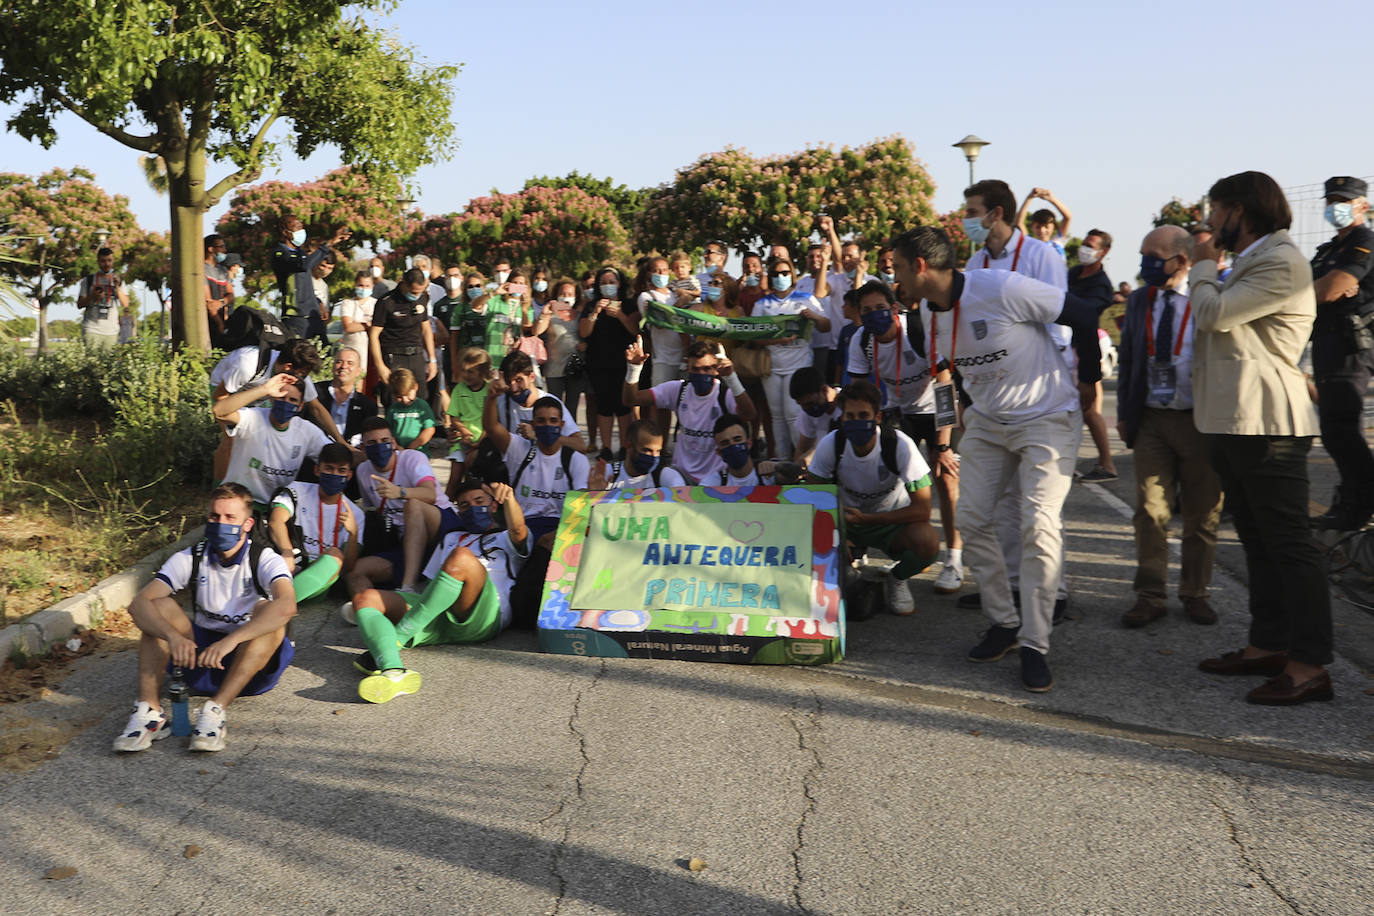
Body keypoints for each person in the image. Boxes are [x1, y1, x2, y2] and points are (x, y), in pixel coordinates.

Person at [893, 225, 1101, 693]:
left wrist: (1089, 378)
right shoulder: (925, 315)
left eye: (899, 268)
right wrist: (948, 435)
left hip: (1047, 418)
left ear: (921, 267)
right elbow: (947, 375)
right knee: (973, 517)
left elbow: (1085, 315)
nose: (896, 279)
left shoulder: (1001, 287)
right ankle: (1005, 622)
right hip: (986, 423)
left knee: (1038, 525)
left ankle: (1035, 643)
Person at [1190, 171, 1332, 706]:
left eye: (1215, 211)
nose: (1207, 223)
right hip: (1236, 421)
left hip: (1270, 423)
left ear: (1240, 212)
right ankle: (1268, 643)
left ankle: (1311, 663)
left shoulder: (1282, 261)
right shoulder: (1254, 260)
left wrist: (1203, 262)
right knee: (1257, 538)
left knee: (1291, 545)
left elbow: (1213, 315)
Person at [959, 179, 1071, 618]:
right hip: (995, 395)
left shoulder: (1043, 255)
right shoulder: (975, 260)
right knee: (1000, 502)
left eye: (973, 210)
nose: (968, 219)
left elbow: (1059, 321)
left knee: (1039, 506)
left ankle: (1051, 592)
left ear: (997, 214)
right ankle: (1008, 587)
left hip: (1039, 390)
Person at [113, 483, 295, 753]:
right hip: (199, 657)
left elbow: (288, 606)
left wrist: (231, 641)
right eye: (215, 517)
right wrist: (173, 636)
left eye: (230, 518)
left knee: (269, 611)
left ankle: (216, 711)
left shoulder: (265, 559)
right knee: (157, 606)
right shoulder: (191, 557)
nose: (221, 524)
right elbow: (138, 604)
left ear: (247, 524)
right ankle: (150, 713)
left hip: (249, 664)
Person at [1115, 226, 1223, 628]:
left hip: (1201, 420)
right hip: (1152, 420)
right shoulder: (1141, 299)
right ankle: (1150, 594)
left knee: (1202, 512)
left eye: (1154, 255)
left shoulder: (1207, 296)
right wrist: (1126, 414)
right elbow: (1128, 359)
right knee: (1150, 511)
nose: (1145, 264)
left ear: (1181, 260)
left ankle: (1195, 592)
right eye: (1143, 254)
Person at [344, 480, 529, 703]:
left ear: (493, 505)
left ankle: (396, 639)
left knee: (461, 557)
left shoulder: (506, 539)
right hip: (438, 612)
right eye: (464, 505)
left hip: (484, 615)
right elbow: (433, 584)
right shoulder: (452, 537)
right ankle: (393, 670)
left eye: (478, 501)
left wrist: (509, 499)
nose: (471, 507)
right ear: (458, 512)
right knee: (365, 598)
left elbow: (519, 530)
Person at [846, 279, 964, 595]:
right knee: (889, 480)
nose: (874, 316)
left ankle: (954, 559)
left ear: (894, 308)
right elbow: (860, 392)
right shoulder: (861, 340)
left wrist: (942, 445)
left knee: (945, 479)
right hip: (897, 411)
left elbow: (944, 385)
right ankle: (886, 550)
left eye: (880, 309)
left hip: (934, 409)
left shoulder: (919, 330)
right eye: (867, 311)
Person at [806, 380, 941, 615]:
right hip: (848, 523)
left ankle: (897, 578)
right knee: (810, 541)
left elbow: (923, 510)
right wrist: (833, 533)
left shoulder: (900, 445)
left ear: (877, 417)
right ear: (842, 417)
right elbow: (813, 498)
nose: (856, 421)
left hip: (891, 522)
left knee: (928, 542)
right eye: (850, 415)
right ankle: (847, 575)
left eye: (863, 415)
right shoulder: (831, 444)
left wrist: (868, 519)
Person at [1308, 176, 1374, 531]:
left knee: (1341, 428)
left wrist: (1331, 286)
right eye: (1331, 199)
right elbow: (1314, 288)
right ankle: (1352, 498)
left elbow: (1330, 290)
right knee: (1335, 428)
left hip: (1351, 344)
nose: (1336, 206)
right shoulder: (1327, 251)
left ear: (1363, 205)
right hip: (1327, 341)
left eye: (1344, 200)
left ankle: (1360, 503)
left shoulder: (1365, 242)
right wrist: (1324, 287)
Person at [345, 417, 458, 595]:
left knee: (413, 506)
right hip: (406, 541)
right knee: (355, 570)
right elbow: (372, 509)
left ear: (394, 442)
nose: (380, 446)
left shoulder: (413, 458)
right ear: (364, 449)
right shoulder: (363, 471)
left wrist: (400, 492)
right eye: (372, 443)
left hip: (441, 527)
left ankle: (408, 587)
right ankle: (368, 609)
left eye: (385, 441)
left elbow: (430, 494)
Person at [623, 339, 755, 484]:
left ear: (716, 369)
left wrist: (731, 377)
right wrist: (634, 369)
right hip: (681, 474)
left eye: (707, 369)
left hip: (716, 475)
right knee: (671, 481)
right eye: (696, 369)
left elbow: (749, 414)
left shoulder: (725, 394)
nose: (701, 374)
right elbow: (631, 399)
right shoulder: (678, 390)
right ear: (688, 368)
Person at [213, 374, 332, 512]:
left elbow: (334, 456)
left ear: (300, 406)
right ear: (272, 398)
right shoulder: (253, 417)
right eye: (281, 397)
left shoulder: (306, 431)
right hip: (237, 503)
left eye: (292, 400)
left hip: (274, 508)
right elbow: (219, 411)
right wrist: (263, 389)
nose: (286, 403)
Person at [483, 393, 590, 545]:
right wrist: (491, 397)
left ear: (562, 425)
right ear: (532, 424)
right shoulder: (519, 449)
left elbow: (580, 510)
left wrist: (553, 537)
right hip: (523, 527)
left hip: (561, 529)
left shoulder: (576, 460)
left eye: (553, 421)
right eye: (541, 421)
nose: (547, 425)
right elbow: (491, 427)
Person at [752, 257, 831, 458]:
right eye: (776, 274)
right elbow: (752, 336)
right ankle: (782, 460)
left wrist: (814, 316)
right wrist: (775, 340)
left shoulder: (805, 298)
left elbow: (826, 325)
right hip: (771, 366)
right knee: (777, 416)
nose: (781, 277)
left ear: (792, 275)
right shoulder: (762, 304)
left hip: (799, 365)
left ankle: (801, 459)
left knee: (793, 413)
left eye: (785, 273)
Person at [266, 442, 364, 601]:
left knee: (335, 554)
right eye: (329, 468)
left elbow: (348, 569)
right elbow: (276, 521)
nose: (334, 474)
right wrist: (287, 551)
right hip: (291, 562)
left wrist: (353, 533)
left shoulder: (356, 514)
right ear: (317, 470)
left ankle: (279, 602)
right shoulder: (298, 490)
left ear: (349, 475)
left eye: (341, 470)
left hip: (321, 577)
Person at [1069, 230, 1120, 482]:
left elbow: (1086, 317)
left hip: (1084, 348)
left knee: (1089, 410)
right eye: (1084, 244)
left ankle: (1107, 464)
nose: (1084, 250)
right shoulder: (1073, 274)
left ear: (1104, 252)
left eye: (1090, 246)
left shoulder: (1101, 285)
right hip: (1064, 348)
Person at [579, 267, 639, 455]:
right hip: (598, 363)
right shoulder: (591, 306)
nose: (608, 286)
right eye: (604, 282)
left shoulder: (629, 305)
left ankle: (623, 446)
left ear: (619, 283)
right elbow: (584, 332)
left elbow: (635, 330)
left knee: (623, 406)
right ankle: (605, 447)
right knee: (604, 406)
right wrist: (595, 314)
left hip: (623, 362)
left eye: (611, 282)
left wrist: (620, 315)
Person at [271, 215, 349, 341]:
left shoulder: (300, 253)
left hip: (314, 317)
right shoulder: (280, 254)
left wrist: (318, 303)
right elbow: (304, 265)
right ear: (285, 232)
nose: (301, 231)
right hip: (296, 317)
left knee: (324, 354)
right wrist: (328, 244)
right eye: (297, 227)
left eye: (302, 227)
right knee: (300, 355)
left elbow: (305, 285)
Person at [369, 268, 437, 408]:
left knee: (421, 400)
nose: (417, 295)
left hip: (416, 354)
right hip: (394, 355)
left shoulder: (422, 298)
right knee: (395, 400)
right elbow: (374, 335)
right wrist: (380, 365)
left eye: (420, 291)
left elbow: (426, 329)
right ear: (404, 284)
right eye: (414, 292)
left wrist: (432, 359)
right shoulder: (386, 301)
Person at [534, 279, 589, 426]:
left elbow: (586, 334)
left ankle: (571, 441)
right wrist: (544, 314)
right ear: (556, 295)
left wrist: (585, 345)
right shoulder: (550, 315)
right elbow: (537, 331)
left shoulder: (580, 315)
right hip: (554, 369)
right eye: (563, 293)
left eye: (570, 294)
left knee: (572, 407)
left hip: (575, 368)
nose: (566, 296)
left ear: (576, 296)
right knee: (554, 407)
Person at [588, 419, 688, 490]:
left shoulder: (666, 476)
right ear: (628, 446)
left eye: (658, 451)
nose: (653, 457)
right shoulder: (606, 474)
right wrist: (595, 495)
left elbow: (682, 507)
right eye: (647, 450)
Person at [444, 347, 492, 492]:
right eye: (463, 370)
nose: (466, 375)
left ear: (483, 372)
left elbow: (492, 419)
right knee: (454, 478)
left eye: (470, 371)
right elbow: (454, 416)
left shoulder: (490, 391)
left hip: (483, 441)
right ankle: (446, 508)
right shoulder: (459, 389)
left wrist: (479, 442)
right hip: (461, 440)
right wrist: (464, 431)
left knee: (473, 479)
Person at [316, 347, 378, 447]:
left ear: (359, 371)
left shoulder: (367, 406)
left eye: (350, 363)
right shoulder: (315, 393)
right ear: (333, 366)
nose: (344, 366)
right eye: (339, 362)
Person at [77, 247, 129, 348]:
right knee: (92, 362)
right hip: (91, 329)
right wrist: (92, 295)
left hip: (111, 331)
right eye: (103, 261)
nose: (106, 264)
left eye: (109, 260)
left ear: (113, 261)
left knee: (108, 363)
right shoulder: (88, 280)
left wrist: (117, 287)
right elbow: (79, 304)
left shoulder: (119, 280)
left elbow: (125, 304)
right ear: (98, 261)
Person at [788, 366, 840, 466]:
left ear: (824, 390)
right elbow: (802, 449)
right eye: (801, 405)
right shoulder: (807, 413)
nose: (806, 409)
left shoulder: (848, 408)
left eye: (810, 403)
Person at [711, 414, 776, 486]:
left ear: (749, 443)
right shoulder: (713, 483)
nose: (733, 445)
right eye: (725, 443)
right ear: (719, 452)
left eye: (737, 439)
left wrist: (778, 468)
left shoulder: (769, 475)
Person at [385, 367, 437, 455]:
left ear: (415, 387)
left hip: (419, 452)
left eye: (407, 394)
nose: (405, 400)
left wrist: (412, 447)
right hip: (398, 451)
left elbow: (429, 429)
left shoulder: (422, 406)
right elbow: (387, 431)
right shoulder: (393, 409)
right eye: (399, 397)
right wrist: (397, 446)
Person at [1015, 187, 1073, 257]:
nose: (1042, 230)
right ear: (1031, 227)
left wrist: (1051, 199)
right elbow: (1019, 222)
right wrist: (1029, 198)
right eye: (1038, 227)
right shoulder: (1029, 244)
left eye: (1046, 227)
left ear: (1054, 227)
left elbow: (1067, 217)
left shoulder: (1057, 243)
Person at [338, 270, 376, 373]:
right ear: (355, 284)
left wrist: (359, 325)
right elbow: (348, 327)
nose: (364, 289)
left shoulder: (377, 304)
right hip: (351, 350)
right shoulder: (348, 303)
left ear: (372, 286)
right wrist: (369, 324)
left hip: (371, 352)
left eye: (367, 286)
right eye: (361, 285)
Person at [204, 234, 234, 340]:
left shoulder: (223, 270)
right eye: (221, 247)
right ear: (211, 249)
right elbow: (209, 303)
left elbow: (231, 295)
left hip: (222, 321)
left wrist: (222, 302)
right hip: (208, 324)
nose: (225, 250)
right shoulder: (201, 269)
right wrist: (220, 324)